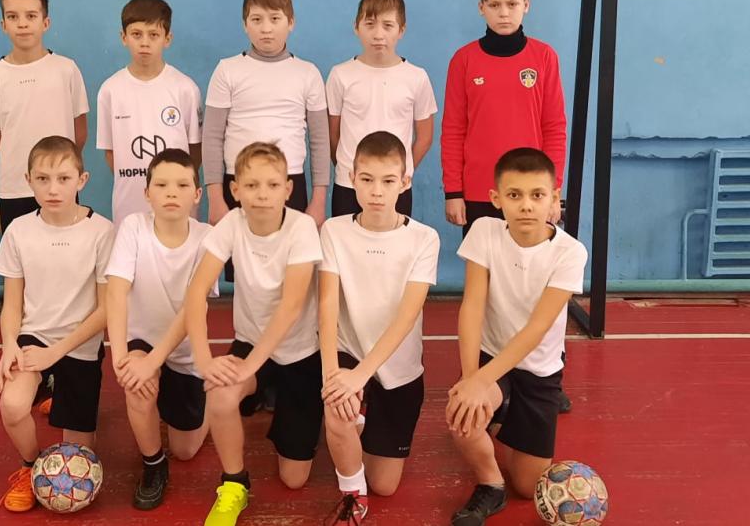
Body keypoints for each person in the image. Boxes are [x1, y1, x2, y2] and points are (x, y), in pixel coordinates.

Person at [440, 0, 574, 413]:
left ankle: (548, 378)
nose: (504, 12)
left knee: (538, 292)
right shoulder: (464, 60)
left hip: (533, 198)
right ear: (481, 7)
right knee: (485, 292)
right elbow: (453, 128)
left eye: (512, 4)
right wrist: (453, 190)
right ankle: (478, 375)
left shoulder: (544, 58)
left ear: (526, 5)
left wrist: (552, 192)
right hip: (481, 195)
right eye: (495, 5)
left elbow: (555, 126)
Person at [445, 148, 587, 526]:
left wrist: (479, 383)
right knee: (462, 412)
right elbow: (472, 306)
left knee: (528, 486)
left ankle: (502, 415)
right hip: (492, 357)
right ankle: (490, 484)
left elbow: (537, 328)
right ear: (496, 199)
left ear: (554, 198)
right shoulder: (484, 231)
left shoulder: (570, 252)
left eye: (537, 195)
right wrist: (471, 379)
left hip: (539, 370)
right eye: (514, 195)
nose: (526, 205)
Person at [185, 142, 324, 525]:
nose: (262, 194)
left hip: (299, 354)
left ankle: (295, 411)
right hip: (251, 345)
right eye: (252, 185)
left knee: (294, 479)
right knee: (219, 394)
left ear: (288, 189)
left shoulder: (301, 229)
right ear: (235, 190)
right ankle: (234, 483)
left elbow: (291, 307)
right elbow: (196, 292)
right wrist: (204, 361)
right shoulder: (232, 224)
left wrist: (249, 368)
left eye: (272, 185)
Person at [318, 131, 440, 523]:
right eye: (367, 179)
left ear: (404, 182)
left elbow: (407, 316)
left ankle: (361, 420)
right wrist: (332, 376)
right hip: (347, 351)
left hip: (397, 366)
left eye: (388, 181)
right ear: (352, 178)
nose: (376, 191)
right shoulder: (334, 230)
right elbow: (326, 304)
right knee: (337, 407)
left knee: (385, 483)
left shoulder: (424, 239)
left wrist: (361, 376)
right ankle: (352, 494)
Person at [0, 136, 113, 512]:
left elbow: (107, 309)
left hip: (79, 343)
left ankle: (54, 389)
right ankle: (29, 467)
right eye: (43, 179)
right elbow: (12, 303)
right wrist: (8, 346)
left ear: (82, 180)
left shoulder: (101, 232)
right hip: (33, 337)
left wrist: (56, 354)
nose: (53, 189)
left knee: (78, 452)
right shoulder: (18, 231)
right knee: (12, 405)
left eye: (63, 178)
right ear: (28, 180)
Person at [105, 148, 213, 510]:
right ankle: (153, 464)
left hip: (184, 349)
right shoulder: (133, 227)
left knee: (186, 450)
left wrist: (155, 361)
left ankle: (213, 400)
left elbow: (192, 309)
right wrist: (121, 357)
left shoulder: (207, 238)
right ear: (147, 193)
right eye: (162, 185)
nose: (171, 193)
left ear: (197, 194)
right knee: (136, 386)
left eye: (182, 185)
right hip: (141, 342)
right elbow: (116, 292)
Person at [202, 0, 330, 238]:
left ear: (290, 22)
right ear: (245, 24)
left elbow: (319, 141)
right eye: (257, 20)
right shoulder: (227, 70)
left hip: (290, 181)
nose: (266, 28)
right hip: (239, 180)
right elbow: (212, 136)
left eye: (275, 19)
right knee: (240, 259)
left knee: (289, 257)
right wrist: (215, 199)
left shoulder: (308, 73)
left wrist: (318, 201)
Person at [0, 0, 89, 231]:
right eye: (13, 16)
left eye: (31, 16)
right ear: (3, 25)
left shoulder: (66, 69)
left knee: (65, 249)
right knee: (20, 251)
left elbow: (79, 130)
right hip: (15, 187)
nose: (22, 24)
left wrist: (60, 170)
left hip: (61, 185)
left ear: (45, 22)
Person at [326, 0, 437, 217]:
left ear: (401, 30)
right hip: (349, 184)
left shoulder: (416, 77)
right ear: (356, 27)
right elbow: (332, 135)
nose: (378, 35)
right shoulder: (340, 75)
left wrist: (399, 172)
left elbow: (425, 137)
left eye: (388, 25)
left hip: (396, 187)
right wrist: (353, 170)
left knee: (394, 240)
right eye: (370, 24)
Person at [96, 0, 202, 229]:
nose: (144, 43)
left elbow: (195, 151)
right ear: (123, 37)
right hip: (129, 205)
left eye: (153, 35)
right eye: (136, 34)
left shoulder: (185, 89)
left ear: (167, 39)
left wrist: (172, 183)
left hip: (177, 205)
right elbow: (111, 152)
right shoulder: (110, 90)